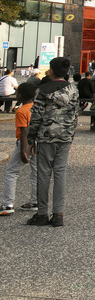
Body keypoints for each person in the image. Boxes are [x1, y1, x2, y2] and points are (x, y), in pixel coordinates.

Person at [26, 57, 79, 226]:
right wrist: (71, 136)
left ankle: (42, 213)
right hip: (65, 135)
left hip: (46, 135)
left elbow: (36, 116)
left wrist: (30, 139)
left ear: (52, 70)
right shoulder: (73, 89)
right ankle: (58, 214)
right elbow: (75, 114)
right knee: (60, 173)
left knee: (43, 174)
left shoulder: (43, 90)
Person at [1, 82, 38, 215]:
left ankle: (7, 204)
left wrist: (22, 151)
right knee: (36, 173)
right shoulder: (38, 108)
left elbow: (23, 131)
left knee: (12, 172)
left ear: (20, 96)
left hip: (25, 143)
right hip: (39, 142)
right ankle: (35, 201)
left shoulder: (21, 111)